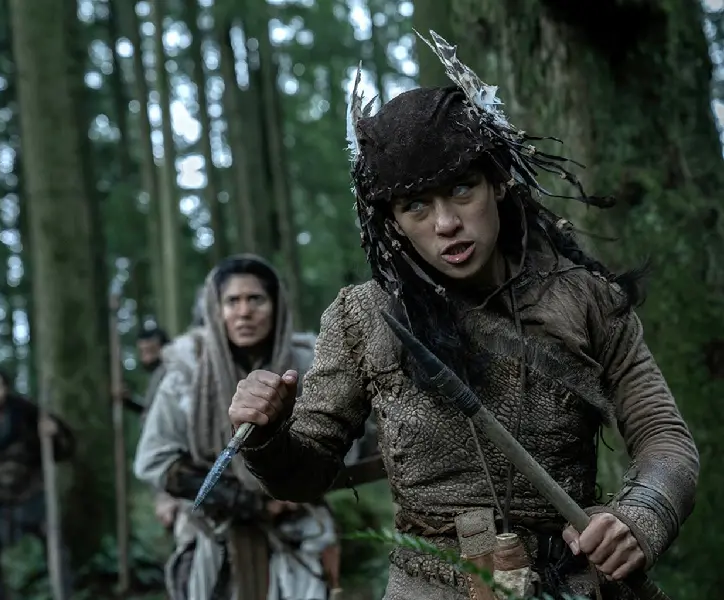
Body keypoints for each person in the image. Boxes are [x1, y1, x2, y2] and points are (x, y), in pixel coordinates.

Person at [226, 32, 699, 600]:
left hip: (570, 582)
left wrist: (640, 517)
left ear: (497, 181)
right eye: (415, 205)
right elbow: (304, 474)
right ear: (392, 221)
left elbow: (665, 438)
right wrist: (267, 435)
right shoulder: (363, 317)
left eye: (461, 188)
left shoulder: (587, 299)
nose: (446, 223)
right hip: (428, 585)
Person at [134, 254, 340, 600]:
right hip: (213, 528)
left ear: (276, 306)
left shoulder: (310, 363)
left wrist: (295, 486)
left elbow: (341, 445)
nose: (244, 312)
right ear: (216, 310)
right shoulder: (186, 369)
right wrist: (246, 502)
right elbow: (156, 460)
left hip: (296, 527)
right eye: (232, 301)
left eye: (256, 299)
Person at [0, 367, 76, 600]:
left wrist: (54, 434)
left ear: (5, 388)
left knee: (55, 546)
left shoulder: (29, 413)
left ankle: (63, 594)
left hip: (32, 493)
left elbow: (63, 450)